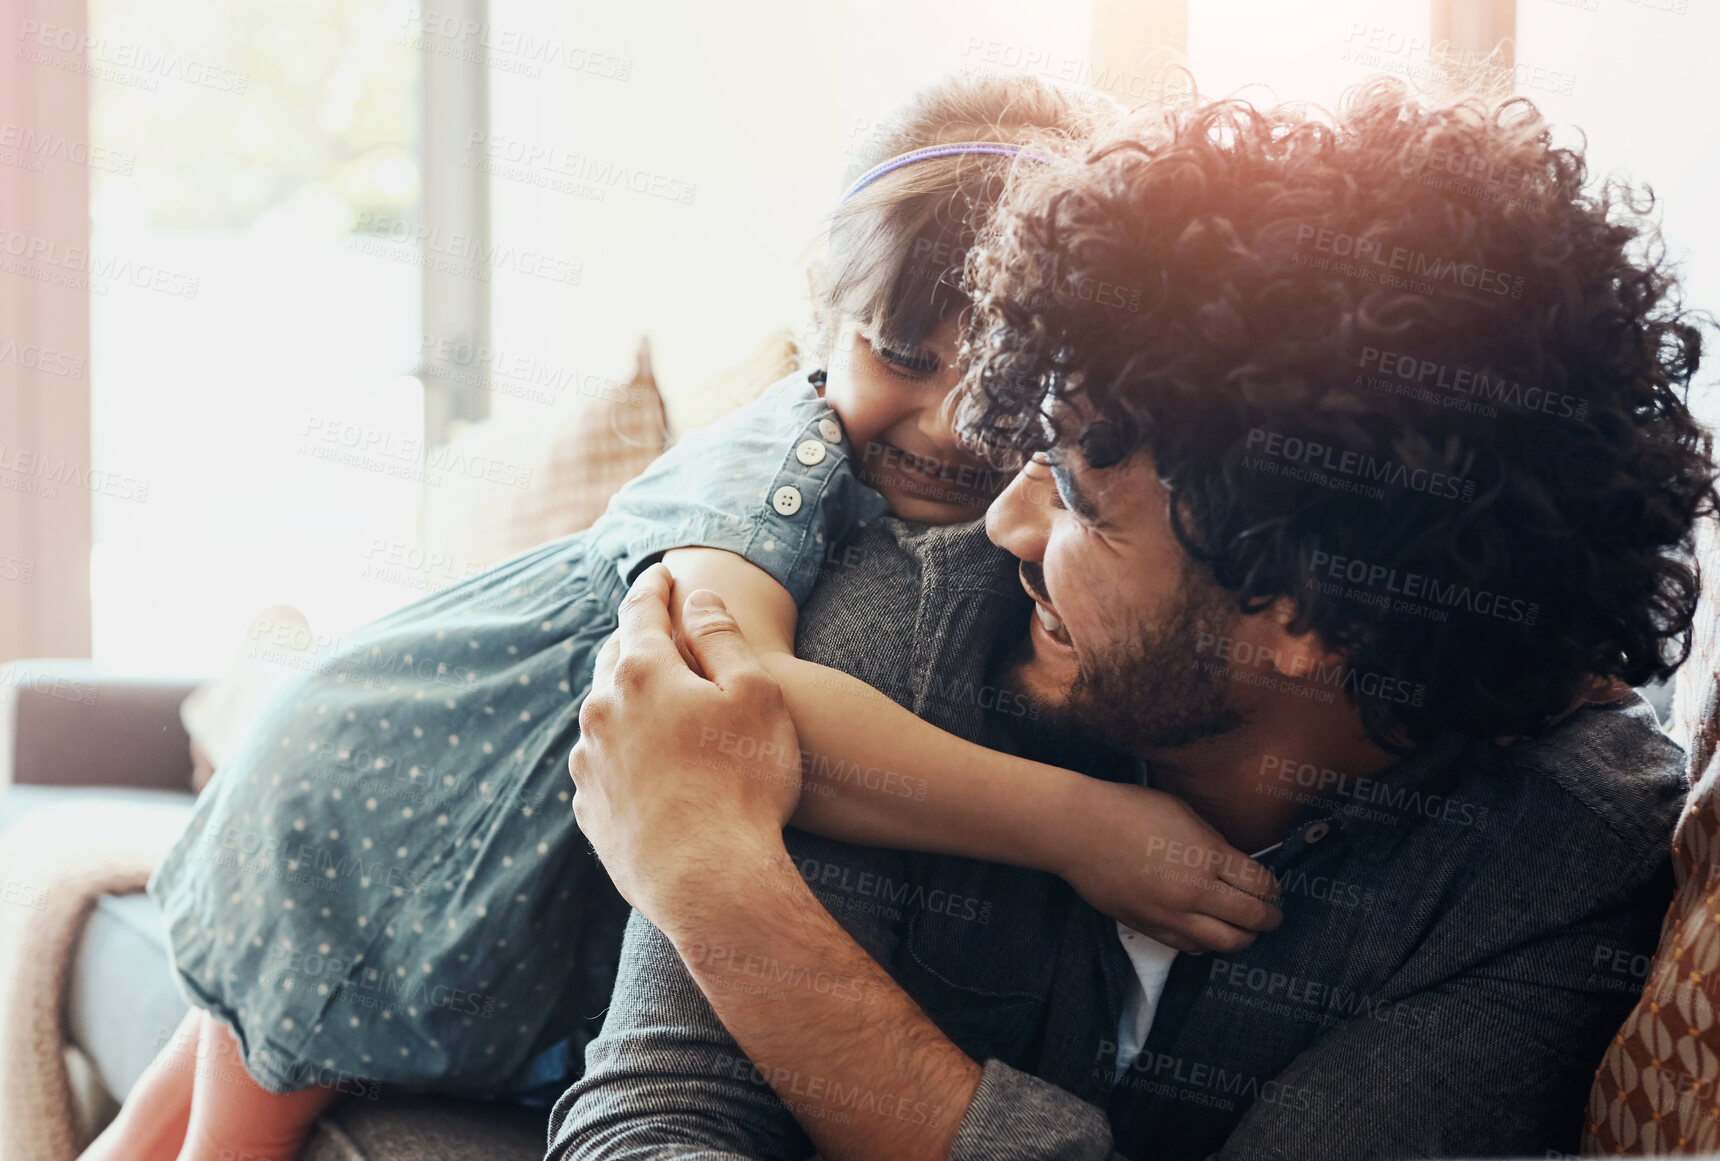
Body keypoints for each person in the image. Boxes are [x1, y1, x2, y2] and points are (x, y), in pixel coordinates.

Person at [81, 75, 1284, 1161]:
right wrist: (1080, 824)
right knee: (240, 1127)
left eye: (1000, 388)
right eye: (902, 355)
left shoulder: (1013, 529)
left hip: (429, 800)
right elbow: (731, 713)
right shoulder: (776, 455)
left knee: (169, 1106)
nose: (952, 426)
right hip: (395, 809)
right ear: (823, 317)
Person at [555, 79, 1717, 1159]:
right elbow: (652, 1119)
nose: (1001, 524)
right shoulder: (915, 617)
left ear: (1312, 616)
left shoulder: (1553, 872)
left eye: (1075, 501)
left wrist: (716, 880)